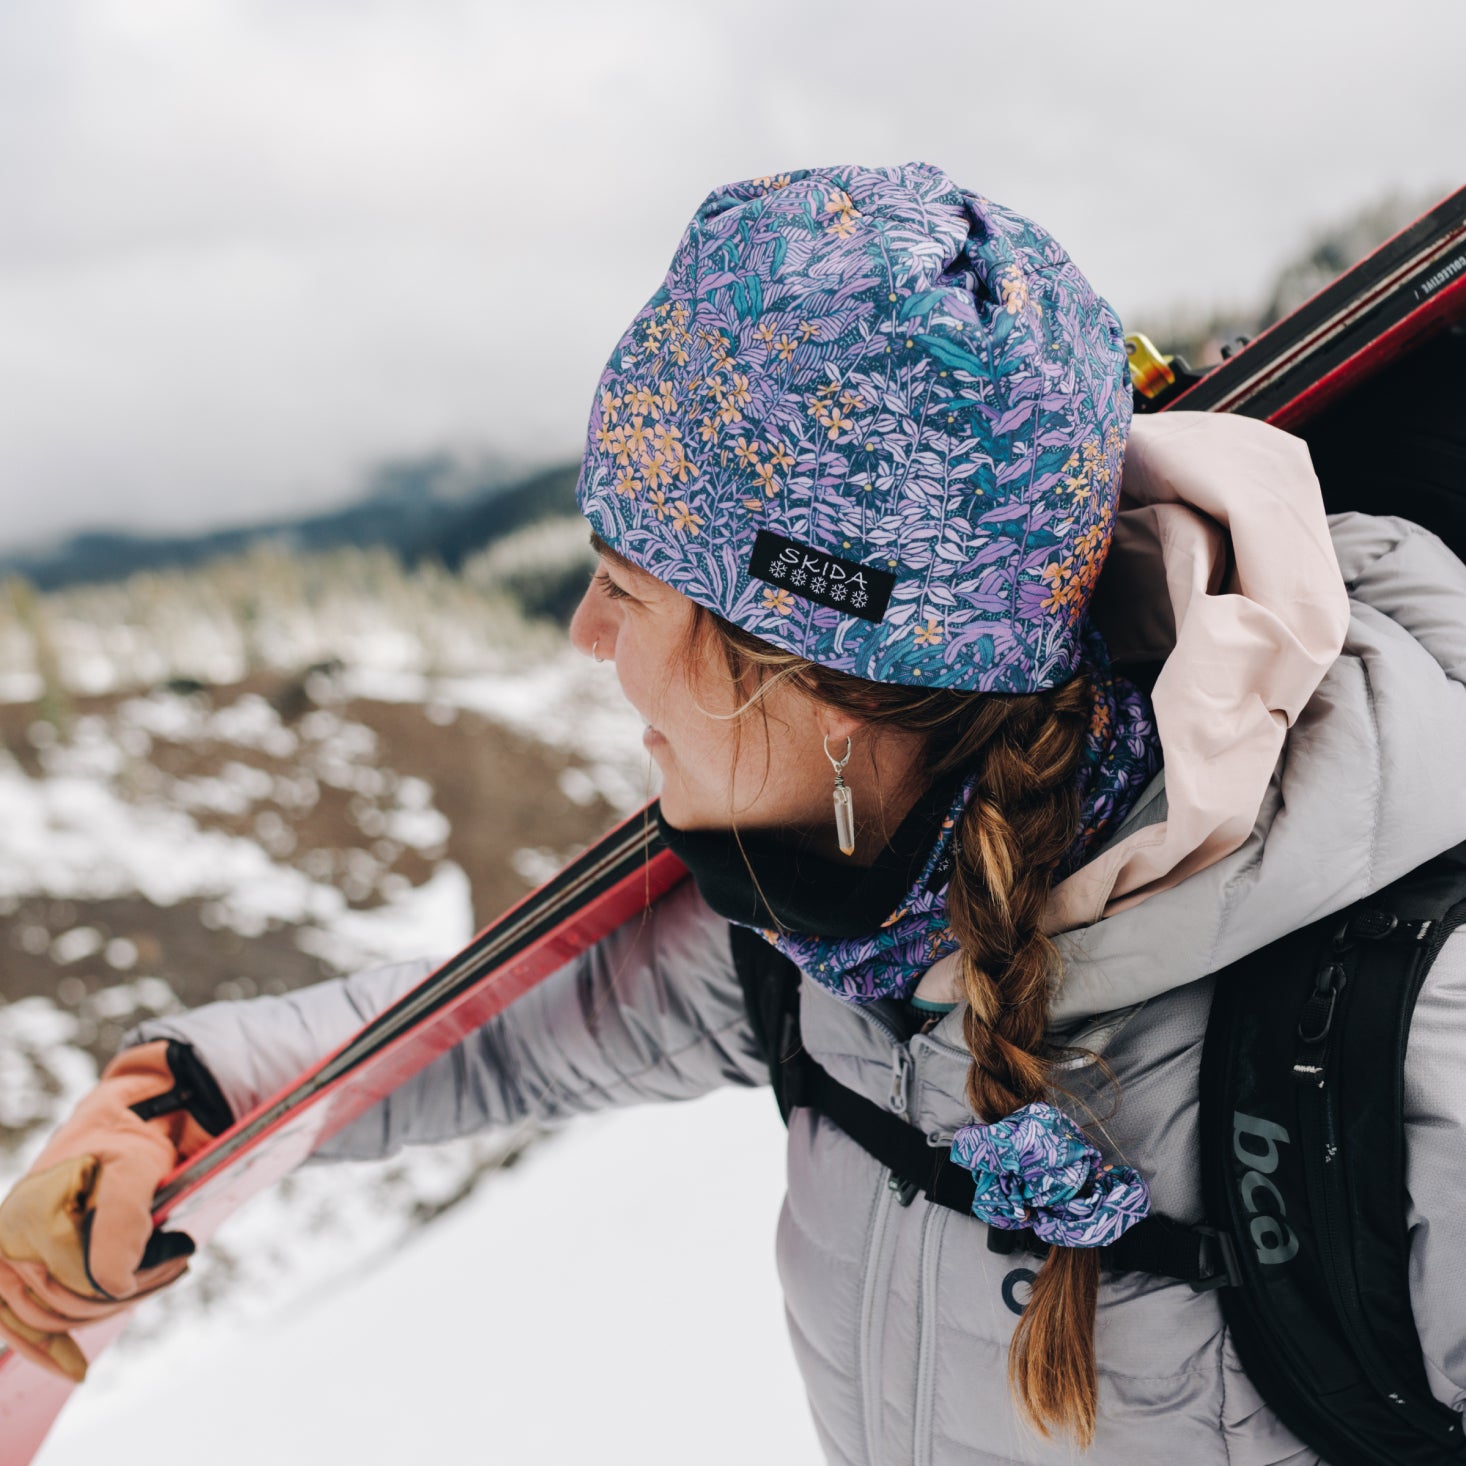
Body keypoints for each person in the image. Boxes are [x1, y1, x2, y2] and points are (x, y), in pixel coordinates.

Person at [4, 162, 1466, 1464]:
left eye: (629, 589)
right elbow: (478, 1034)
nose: (586, 635)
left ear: (818, 681)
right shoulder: (822, 928)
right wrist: (174, 1103)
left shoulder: (1403, 1044)